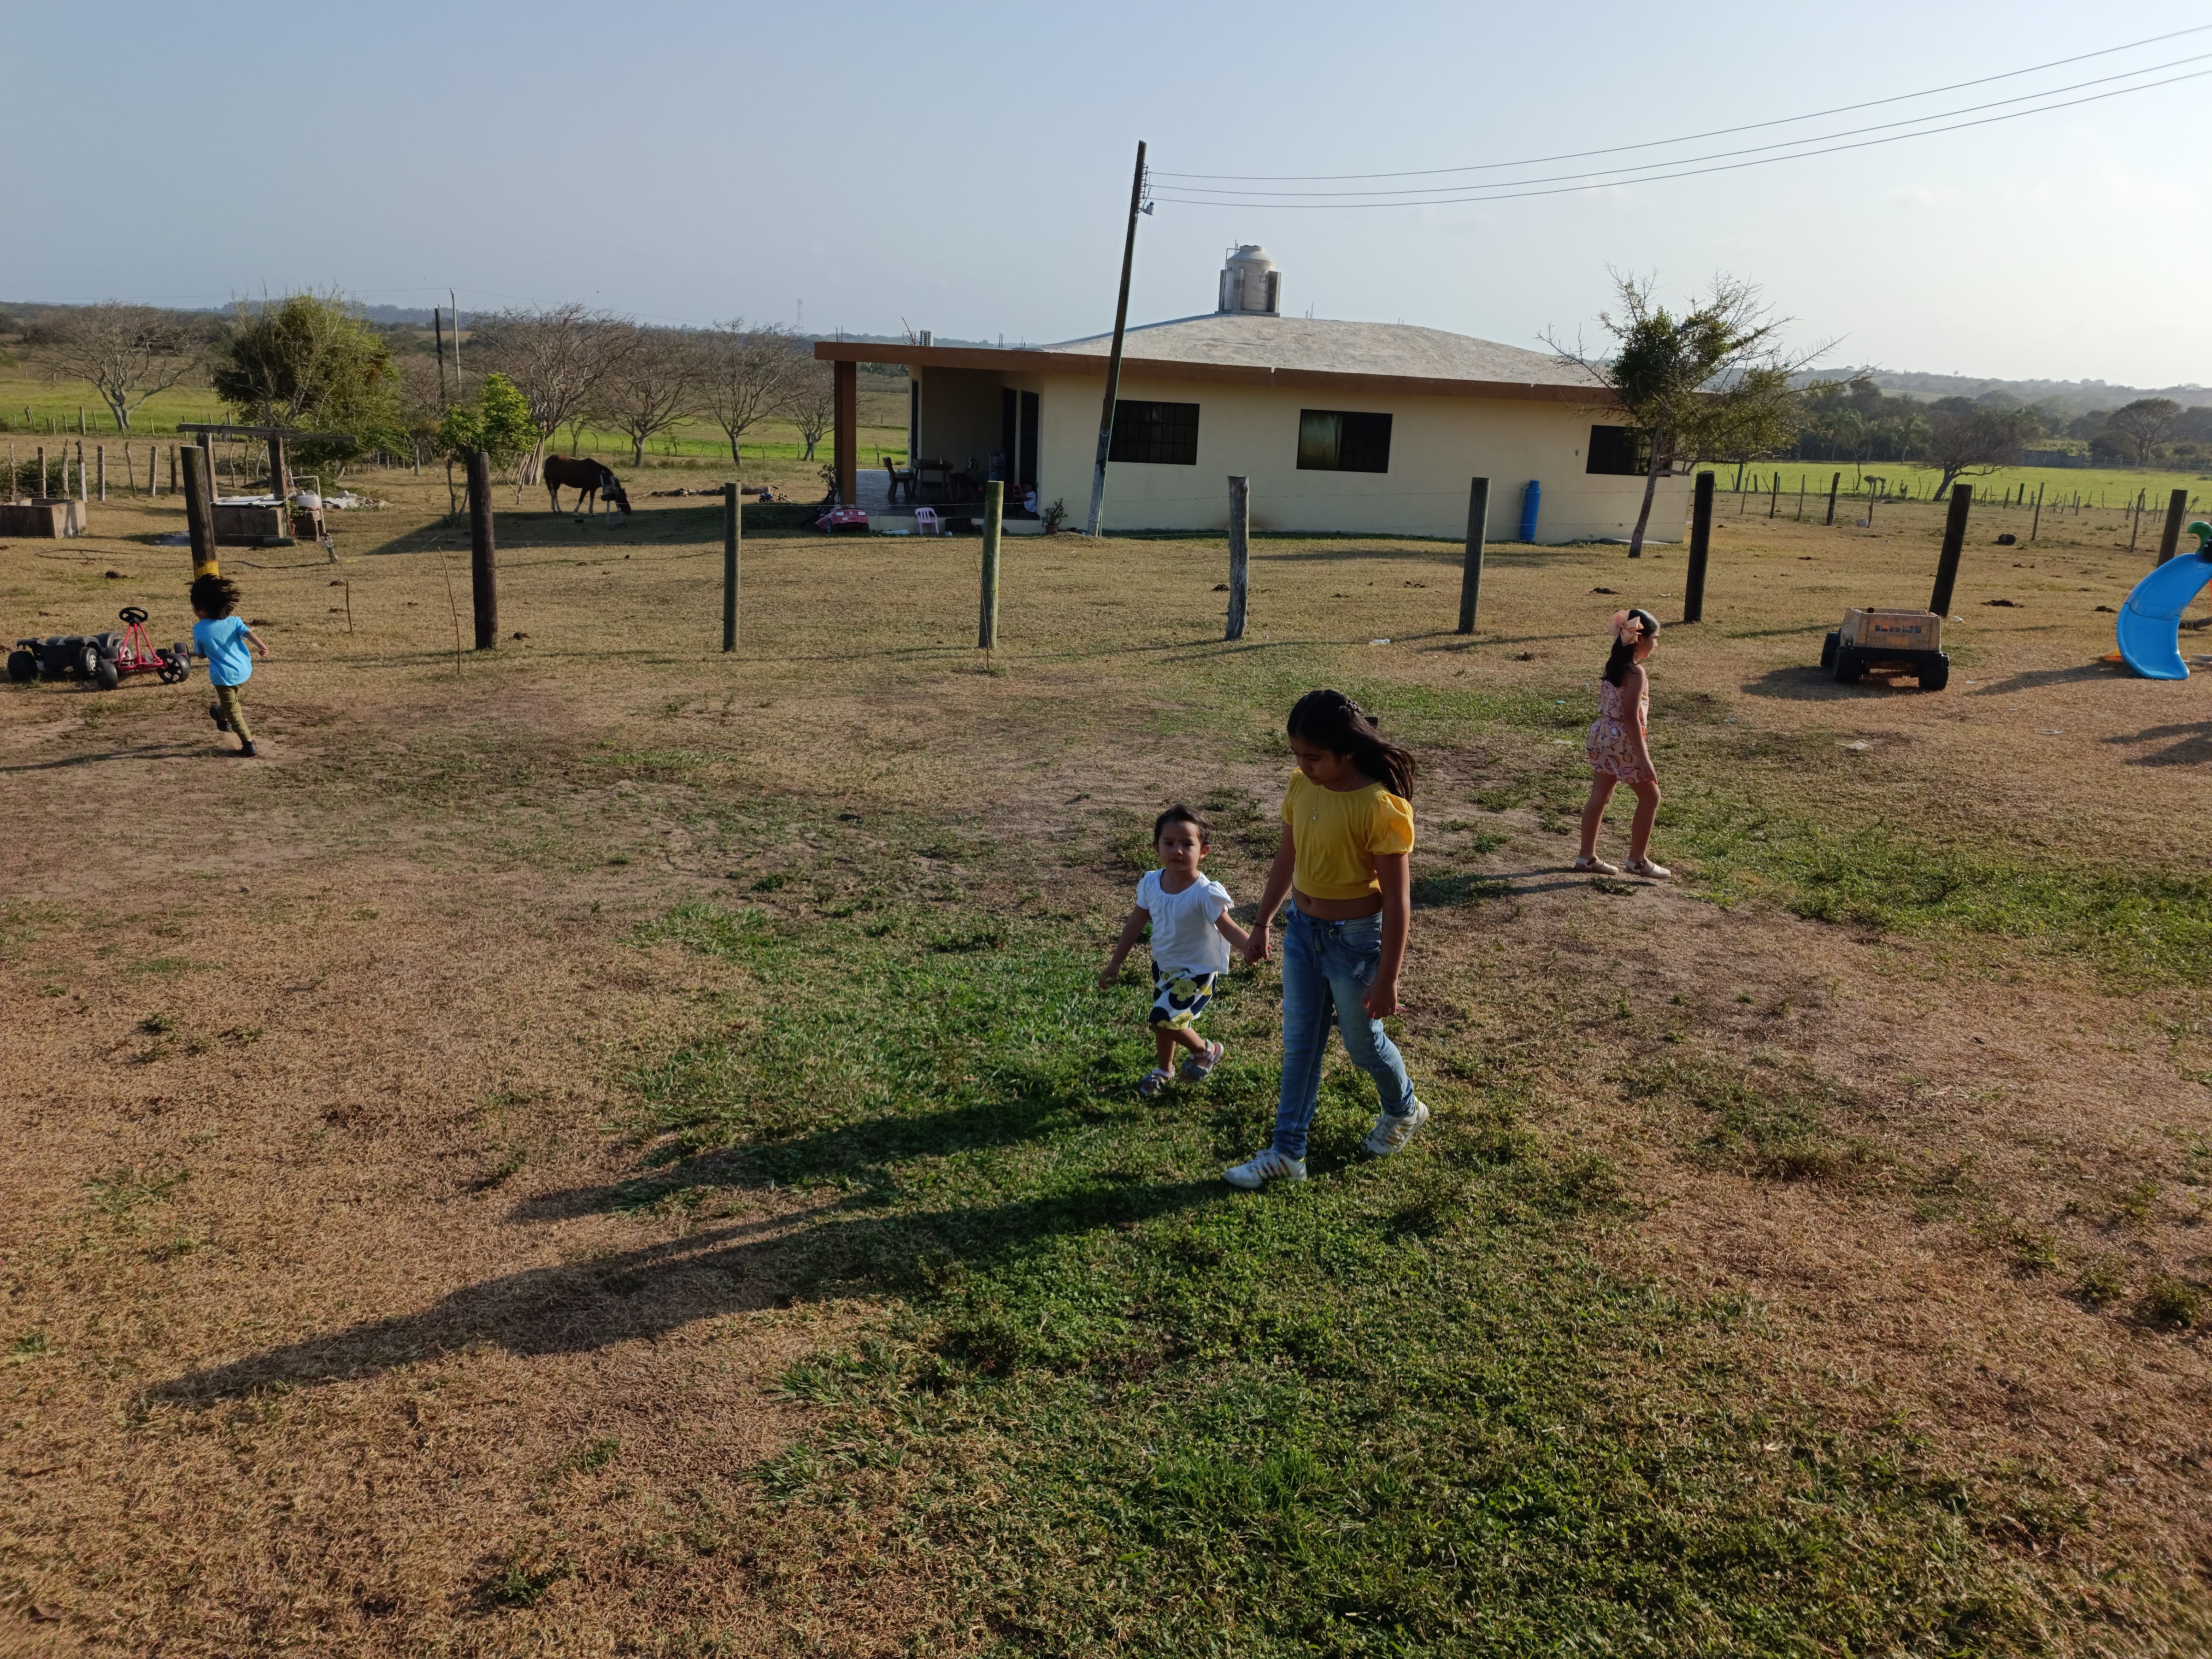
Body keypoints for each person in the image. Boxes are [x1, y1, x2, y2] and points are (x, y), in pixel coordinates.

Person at [1228, 689, 1425, 1188]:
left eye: (1314, 757)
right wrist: (1263, 921)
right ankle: (1287, 1151)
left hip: (1356, 945)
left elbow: (1398, 902)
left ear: (1348, 752)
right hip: (1302, 933)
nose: (1303, 766)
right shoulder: (1302, 787)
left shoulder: (1381, 807)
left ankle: (1404, 1108)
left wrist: (1388, 980)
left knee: (1362, 1046)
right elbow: (1286, 859)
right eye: (1297, 755)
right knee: (1300, 1045)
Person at [1099, 806, 1251, 1098]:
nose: (1177, 851)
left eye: (1187, 844)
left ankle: (1207, 1050)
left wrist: (1250, 946)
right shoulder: (1151, 884)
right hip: (1165, 967)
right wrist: (1116, 962)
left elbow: (1228, 927)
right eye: (1169, 843)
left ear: (1203, 851)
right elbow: (1135, 923)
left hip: (1198, 972)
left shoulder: (1205, 892)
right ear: (1157, 847)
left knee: (1162, 1017)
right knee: (1164, 1022)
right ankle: (1164, 1069)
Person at [1576, 608, 1668, 879]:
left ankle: (1587, 857)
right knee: (1651, 796)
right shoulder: (1636, 673)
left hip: (1602, 734)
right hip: (1624, 741)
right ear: (1639, 639)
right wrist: (1643, 757)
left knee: (1599, 797)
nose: (1656, 643)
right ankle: (1637, 860)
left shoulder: (1613, 665)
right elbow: (1631, 718)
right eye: (1655, 638)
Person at [190, 573, 268, 759]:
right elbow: (249, 634)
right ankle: (221, 716)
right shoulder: (234, 621)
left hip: (223, 677)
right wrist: (263, 647)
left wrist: (203, 651)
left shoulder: (199, 629)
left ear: (202, 610)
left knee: (234, 709)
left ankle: (248, 743)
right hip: (243, 671)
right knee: (230, 702)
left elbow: (200, 655)